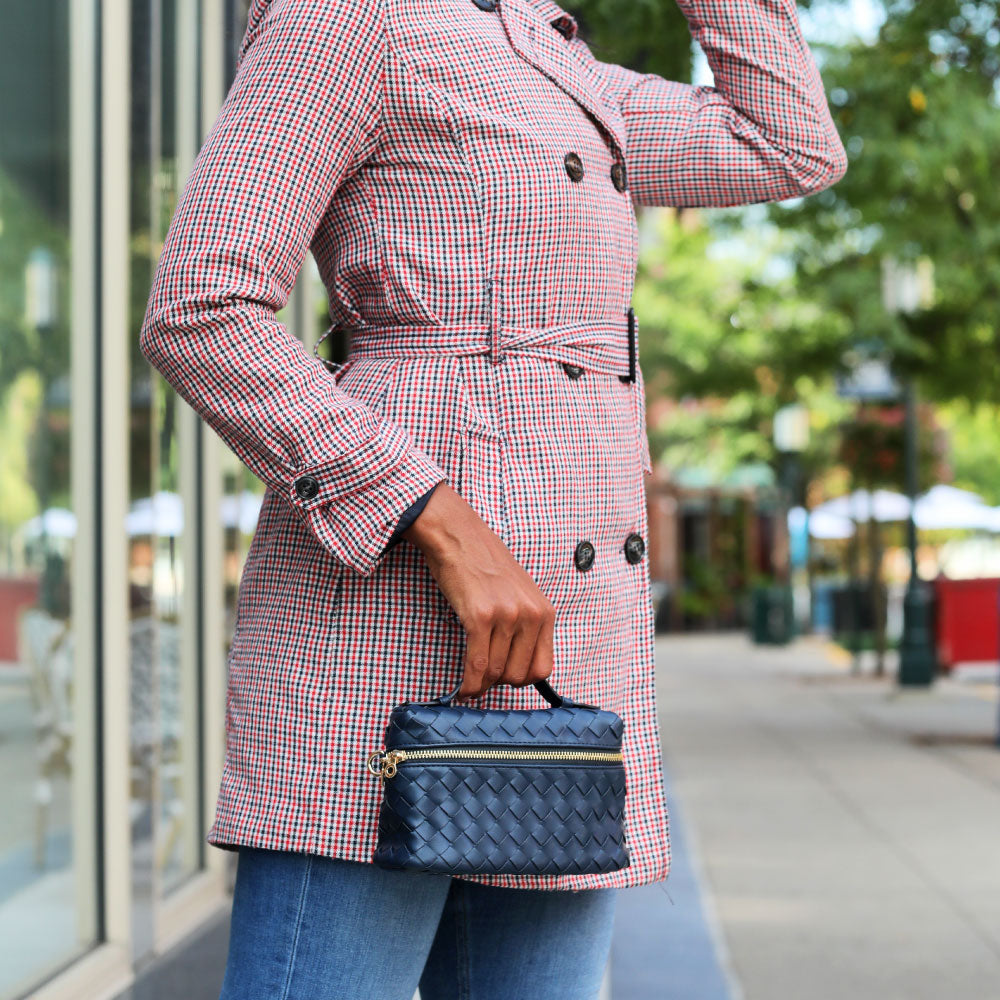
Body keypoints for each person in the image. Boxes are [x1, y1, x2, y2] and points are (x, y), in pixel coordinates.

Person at [139, 0, 846, 996]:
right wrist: (438, 519)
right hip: (385, 630)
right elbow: (201, 306)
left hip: (565, 657)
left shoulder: (555, 57)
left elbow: (788, 145)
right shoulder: (348, 15)